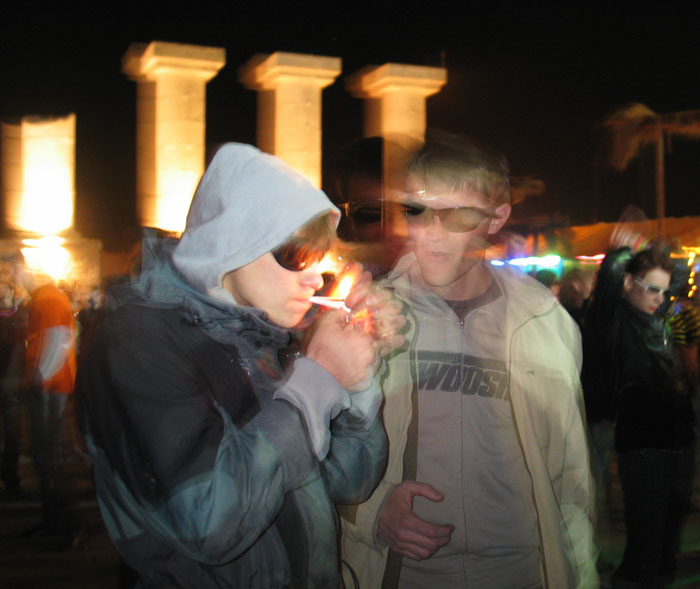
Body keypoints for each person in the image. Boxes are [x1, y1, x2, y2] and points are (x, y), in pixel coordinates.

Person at [78, 143, 406, 587]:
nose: (314, 278)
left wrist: (358, 380)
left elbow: (349, 480)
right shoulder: (136, 342)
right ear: (233, 242)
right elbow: (210, 523)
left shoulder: (272, 339)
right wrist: (317, 380)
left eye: (319, 259)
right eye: (295, 255)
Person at [340, 133, 597, 588]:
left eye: (458, 214)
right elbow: (319, 454)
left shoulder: (544, 323)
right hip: (403, 575)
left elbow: (572, 480)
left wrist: (582, 576)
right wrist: (372, 513)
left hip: (522, 574)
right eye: (417, 211)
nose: (433, 233)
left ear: (497, 218)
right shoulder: (368, 317)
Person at [584, 247, 694, 587]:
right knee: (646, 542)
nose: (660, 298)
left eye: (664, 291)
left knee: (668, 538)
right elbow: (606, 287)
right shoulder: (615, 319)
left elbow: (679, 277)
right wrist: (624, 253)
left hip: (677, 440)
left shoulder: (657, 320)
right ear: (628, 282)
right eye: (652, 289)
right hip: (644, 444)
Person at [24, 273, 78, 542]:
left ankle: (61, 527)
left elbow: (58, 339)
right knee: (48, 458)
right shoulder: (47, 298)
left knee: (49, 458)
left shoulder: (47, 299)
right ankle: (55, 523)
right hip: (51, 387)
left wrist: (41, 379)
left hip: (50, 389)